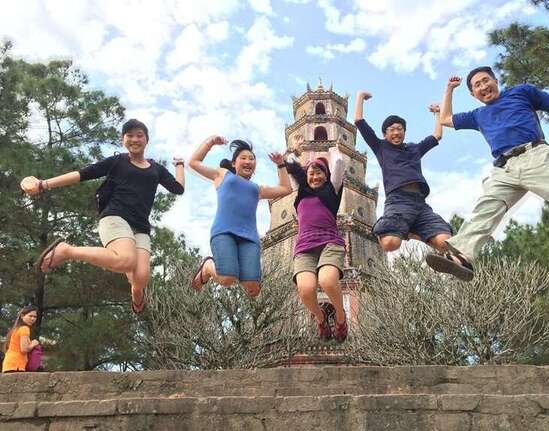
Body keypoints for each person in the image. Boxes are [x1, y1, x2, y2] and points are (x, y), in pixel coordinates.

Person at [427, 67, 549, 281]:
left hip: (535, 158)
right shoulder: (478, 115)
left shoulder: (522, 92)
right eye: (477, 86)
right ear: (473, 95)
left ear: (495, 80)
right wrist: (449, 89)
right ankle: (463, 257)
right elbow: (445, 119)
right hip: (504, 169)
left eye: (485, 80)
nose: (483, 86)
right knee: (486, 209)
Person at [20, 119, 185, 312]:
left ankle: (136, 292)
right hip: (115, 216)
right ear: (123, 139)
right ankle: (67, 251)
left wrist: (180, 164)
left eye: (139, 135)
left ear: (146, 140)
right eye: (129, 135)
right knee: (126, 260)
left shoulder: (156, 169)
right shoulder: (117, 161)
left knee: (141, 278)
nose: (134, 139)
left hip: (141, 226)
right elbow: (82, 174)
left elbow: (178, 188)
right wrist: (43, 184)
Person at [189, 136, 292, 297]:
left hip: (249, 238)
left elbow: (286, 189)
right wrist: (210, 142)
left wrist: (280, 164)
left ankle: (243, 275)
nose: (248, 161)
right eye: (243, 158)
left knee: (253, 288)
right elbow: (194, 162)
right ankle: (208, 266)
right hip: (224, 232)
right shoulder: (223, 175)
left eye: (252, 159)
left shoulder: (257, 189)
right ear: (233, 163)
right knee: (227, 278)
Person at [354, 91, 453, 254]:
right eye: (391, 129)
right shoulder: (381, 147)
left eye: (399, 129)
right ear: (385, 134)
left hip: (420, 202)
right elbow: (359, 121)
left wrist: (437, 113)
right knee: (389, 244)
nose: (396, 132)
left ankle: (412, 230)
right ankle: (405, 229)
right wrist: (360, 97)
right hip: (398, 200)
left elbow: (437, 135)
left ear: (404, 132)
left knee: (446, 243)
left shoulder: (414, 148)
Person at [284, 137, 348, 342]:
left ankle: (340, 317)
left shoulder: (333, 190)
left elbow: (338, 164)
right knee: (305, 289)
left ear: (326, 175)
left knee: (328, 280)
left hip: (329, 241)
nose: (314, 176)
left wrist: (333, 149)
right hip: (304, 247)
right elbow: (292, 168)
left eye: (319, 172)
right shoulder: (300, 193)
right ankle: (321, 320)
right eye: (311, 173)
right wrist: (292, 152)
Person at [2, 306, 39, 373]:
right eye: (30, 316)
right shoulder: (24, 328)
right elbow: (24, 349)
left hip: (9, 364)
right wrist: (33, 344)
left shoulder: (16, 329)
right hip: (16, 365)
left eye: (35, 317)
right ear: (22, 316)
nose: (33, 319)